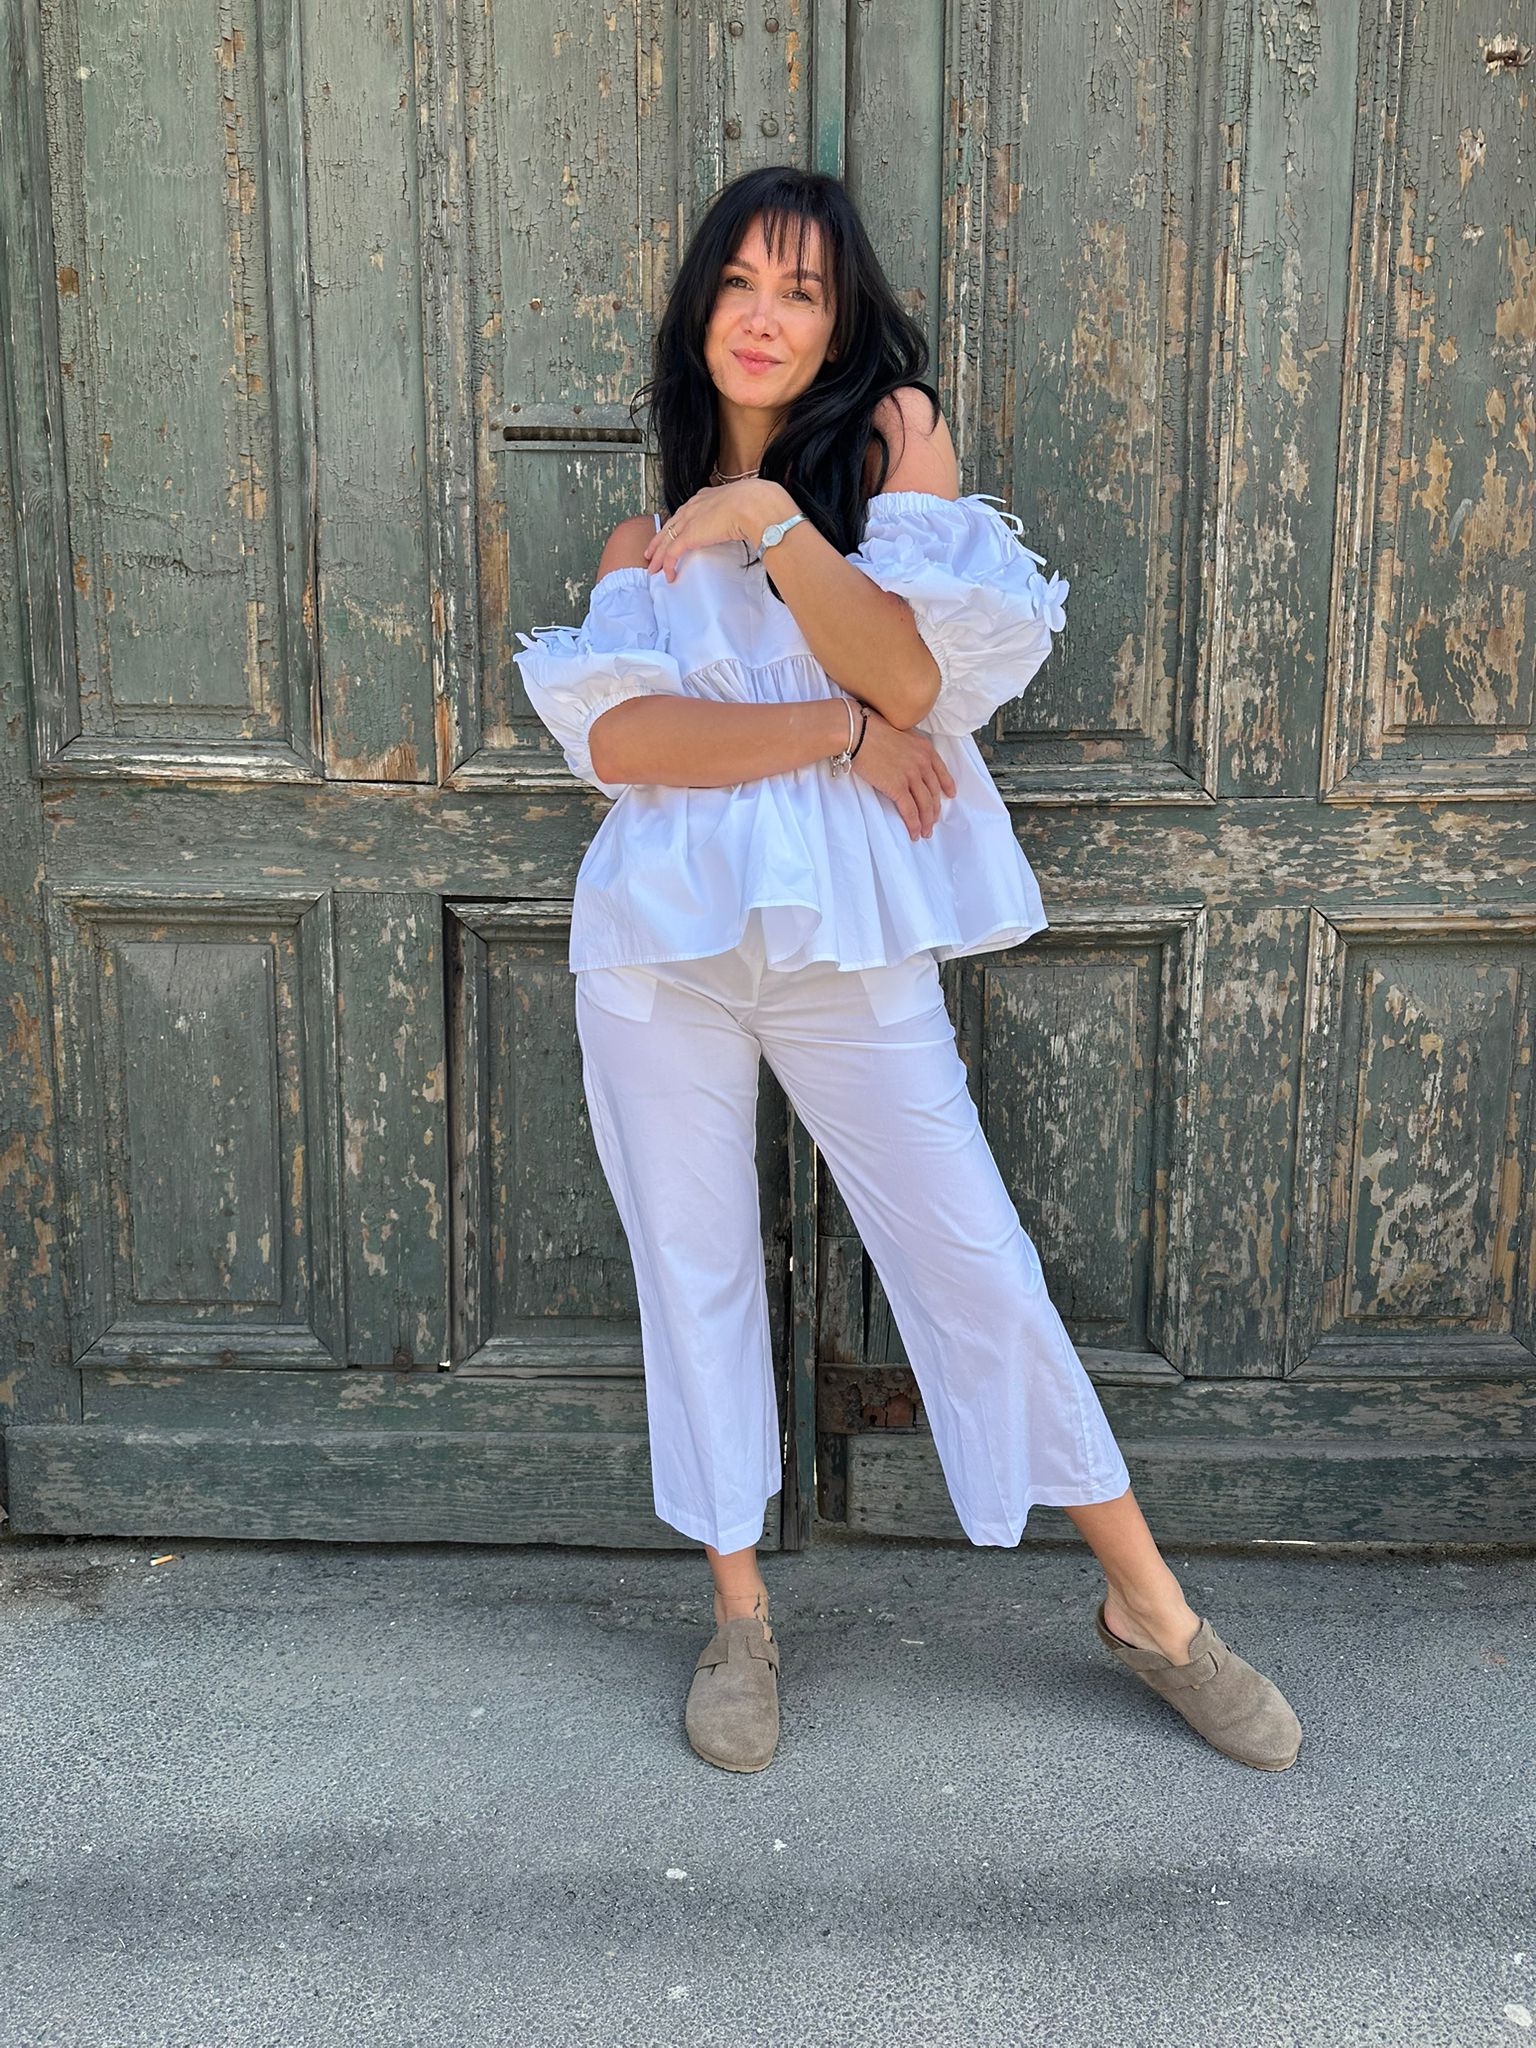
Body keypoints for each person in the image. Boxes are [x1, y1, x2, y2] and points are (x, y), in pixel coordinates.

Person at [513, 167, 1302, 1778]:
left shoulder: (893, 454)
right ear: (698, 310)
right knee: (693, 1268)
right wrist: (832, 731)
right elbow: (627, 743)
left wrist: (771, 522)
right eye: (738, 284)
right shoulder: (640, 541)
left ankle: (1150, 1608)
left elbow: (915, 675)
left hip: (844, 952)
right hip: (659, 958)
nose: (764, 316)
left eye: (800, 291)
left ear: (841, 322)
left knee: (974, 1258)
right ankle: (739, 1614)